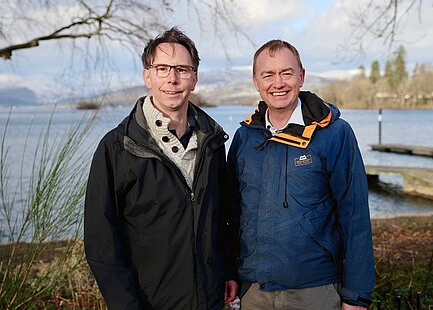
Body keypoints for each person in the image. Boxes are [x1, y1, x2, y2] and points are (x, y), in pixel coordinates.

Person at [84, 27, 238, 310]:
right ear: (147, 76)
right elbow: (101, 242)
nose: (172, 78)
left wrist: (227, 270)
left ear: (194, 78)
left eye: (182, 69)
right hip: (149, 302)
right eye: (162, 68)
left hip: (210, 299)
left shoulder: (213, 142)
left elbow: (221, 217)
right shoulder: (118, 147)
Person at [227, 40, 375, 310]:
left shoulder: (334, 134)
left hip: (316, 291)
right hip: (254, 292)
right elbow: (232, 213)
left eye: (286, 73)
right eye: (268, 75)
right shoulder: (244, 137)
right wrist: (228, 272)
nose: (278, 83)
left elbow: (355, 216)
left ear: (301, 76)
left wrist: (357, 295)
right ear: (255, 81)